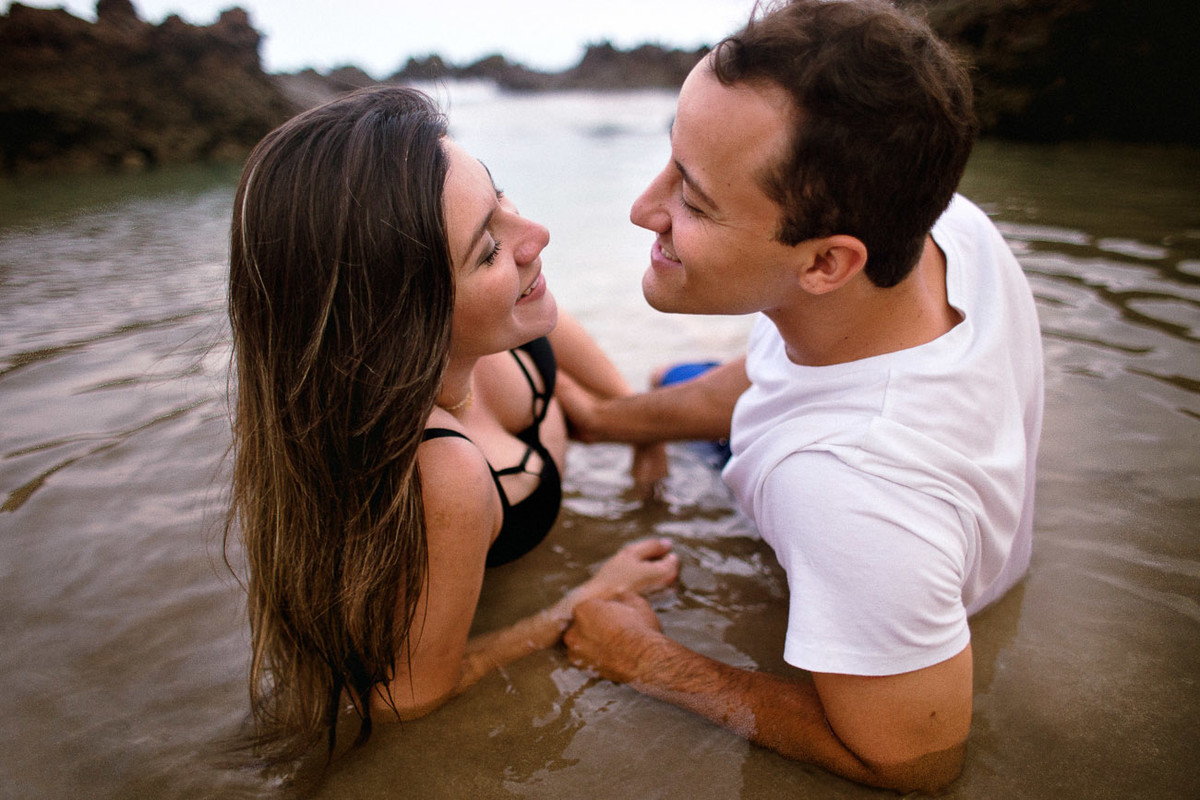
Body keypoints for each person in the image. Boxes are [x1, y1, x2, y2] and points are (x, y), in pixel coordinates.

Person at [558, 0, 1044, 793]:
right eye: (670, 161)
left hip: (875, 562)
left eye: (694, 199)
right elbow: (777, 376)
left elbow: (914, 759)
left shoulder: (850, 495)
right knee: (672, 384)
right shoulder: (936, 221)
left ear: (826, 265)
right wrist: (605, 423)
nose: (644, 209)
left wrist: (640, 657)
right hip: (889, 529)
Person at [225, 86, 678, 763]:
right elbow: (408, 699)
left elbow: (591, 370)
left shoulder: (513, 320)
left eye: (501, 197)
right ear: (405, 323)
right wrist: (586, 597)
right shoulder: (442, 470)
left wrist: (647, 437)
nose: (535, 236)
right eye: (488, 249)